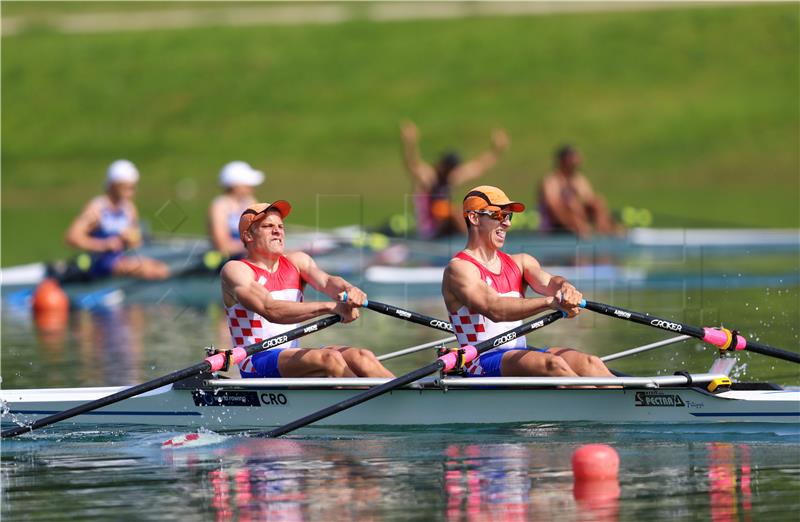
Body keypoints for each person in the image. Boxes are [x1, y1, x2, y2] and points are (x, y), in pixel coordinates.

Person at [441, 185, 614, 378]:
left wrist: (566, 289)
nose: (507, 224)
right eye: (499, 215)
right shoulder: (459, 269)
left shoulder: (521, 262)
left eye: (508, 216)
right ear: (474, 218)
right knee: (553, 364)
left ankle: (629, 403)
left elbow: (551, 283)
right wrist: (551, 303)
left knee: (591, 363)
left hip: (517, 357)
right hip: (479, 362)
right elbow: (495, 308)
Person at [220, 201, 395, 378]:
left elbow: (327, 282)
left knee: (362, 357)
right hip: (255, 362)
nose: (277, 231)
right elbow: (270, 309)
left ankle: (409, 396)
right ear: (248, 236)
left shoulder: (297, 262)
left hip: (290, 358)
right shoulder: (236, 270)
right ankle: (367, 400)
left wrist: (350, 290)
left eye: (280, 226)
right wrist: (331, 308)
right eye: (268, 226)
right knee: (330, 359)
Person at [400, 120, 510, 239]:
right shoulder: (429, 177)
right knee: (456, 212)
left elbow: (478, 167)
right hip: (429, 229)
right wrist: (409, 142)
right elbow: (413, 164)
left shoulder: (451, 177)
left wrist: (496, 150)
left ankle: (479, 239)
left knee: (470, 212)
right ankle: (474, 241)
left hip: (445, 225)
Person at [64, 160, 170, 280]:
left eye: (133, 188)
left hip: (121, 258)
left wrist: (131, 238)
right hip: (100, 263)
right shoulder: (97, 209)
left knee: (161, 268)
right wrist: (104, 245)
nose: (132, 193)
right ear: (114, 185)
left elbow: (137, 242)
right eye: (128, 188)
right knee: (147, 270)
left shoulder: (129, 209)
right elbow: (71, 238)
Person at [538, 145, 623, 237]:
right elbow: (554, 205)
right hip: (558, 224)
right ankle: (584, 231)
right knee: (568, 206)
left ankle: (603, 231)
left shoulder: (578, 179)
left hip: (579, 217)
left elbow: (588, 198)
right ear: (564, 160)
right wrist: (573, 207)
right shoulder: (552, 180)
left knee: (598, 202)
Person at [208, 161, 264, 258]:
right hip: (226, 258)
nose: (252, 187)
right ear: (236, 185)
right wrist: (257, 245)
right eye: (247, 183)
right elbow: (222, 246)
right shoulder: (220, 206)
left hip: (249, 250)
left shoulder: (250, 201)